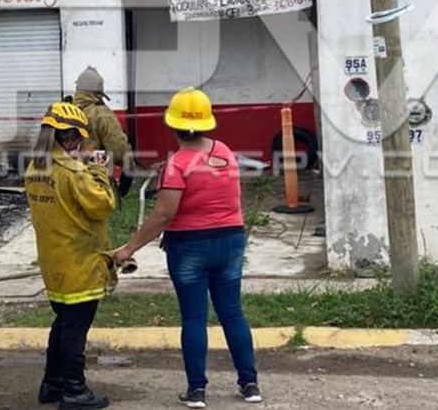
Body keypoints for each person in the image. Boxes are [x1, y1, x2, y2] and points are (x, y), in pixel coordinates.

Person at [113, 87, 262, 407]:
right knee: (232, 314)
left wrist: (129, 249)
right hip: (231, 241)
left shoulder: (177, 164)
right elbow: (215, 186)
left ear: (173, 125)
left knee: (194, 318)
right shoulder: (224, 151)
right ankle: (250, 385)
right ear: (207, 122)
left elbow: (164, 214)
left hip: (190, 247)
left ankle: (197, 390)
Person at [25, 101, 117, 409]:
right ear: (66, 137)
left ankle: (52, 384)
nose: (80, 144)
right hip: (81, 263)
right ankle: (74, 390)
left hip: (54, 262)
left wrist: (80, 163)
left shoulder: (35, 167)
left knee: (63, 324)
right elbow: (103, 205)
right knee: (75, 330)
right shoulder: (74, 172)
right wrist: (99, 170)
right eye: (76, 138)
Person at [72, 66, 135, 197]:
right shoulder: (102, 114)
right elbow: (119, 152)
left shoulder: (65, 111)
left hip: (65, 180)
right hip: (94, 183)